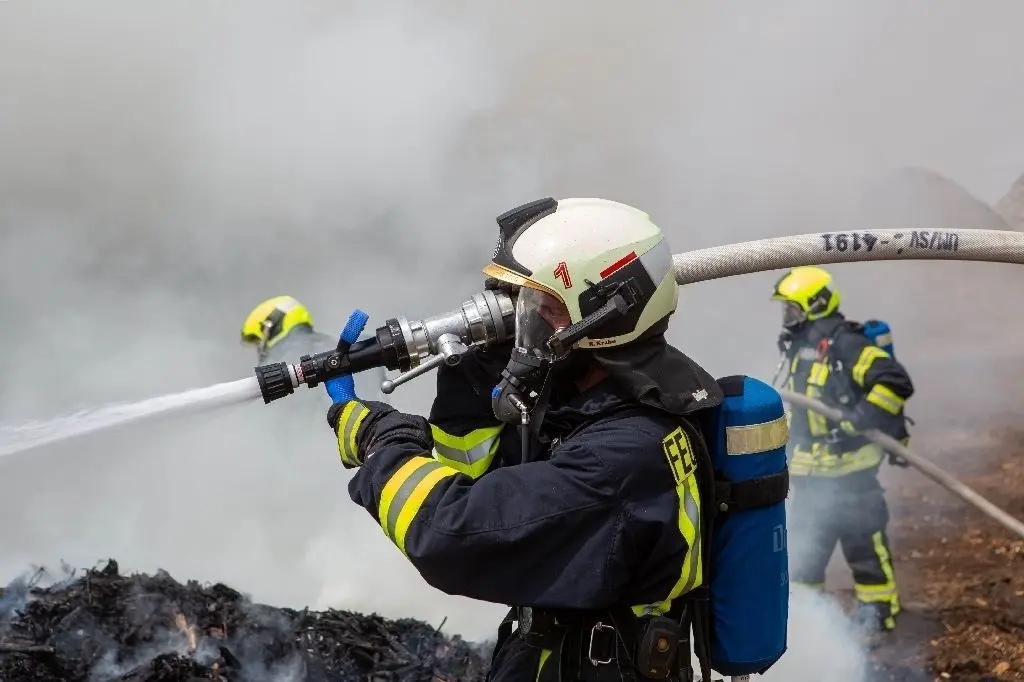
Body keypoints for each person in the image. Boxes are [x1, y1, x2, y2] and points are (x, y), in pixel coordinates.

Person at [321, 197, 731, 681]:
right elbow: (479, 475)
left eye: (545, 307)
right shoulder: (592, 408)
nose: (526, 320)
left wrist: (379, 442)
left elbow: (451, 533)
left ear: (603, 319)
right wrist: (470, 373)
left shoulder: (622, 456)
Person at [771, 265, 913, 633]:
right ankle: (808, 627)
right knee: (804, 559)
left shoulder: (847, 344)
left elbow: (893, 382)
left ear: (816, 304)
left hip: (853, 479)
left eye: (793, 309)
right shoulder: (801, 348)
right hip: (813, 479)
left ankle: (877, 624)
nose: (788, 318)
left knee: (866, 557)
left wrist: (860, 417)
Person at [240, 295, 385, 406]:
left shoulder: (286, 362)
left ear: (269, 328)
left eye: (257, 341)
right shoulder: (339, 346)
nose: (260, 350)